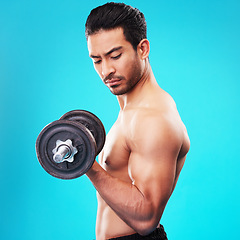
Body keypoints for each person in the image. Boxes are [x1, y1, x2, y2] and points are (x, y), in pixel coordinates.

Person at [85, 2, 190, 240]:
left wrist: (87, 165)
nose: (106, 70)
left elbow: (146, 218)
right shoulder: (131, 110)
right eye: (97, 60)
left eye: (115, 56)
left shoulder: (153, 119)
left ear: (142, 49)